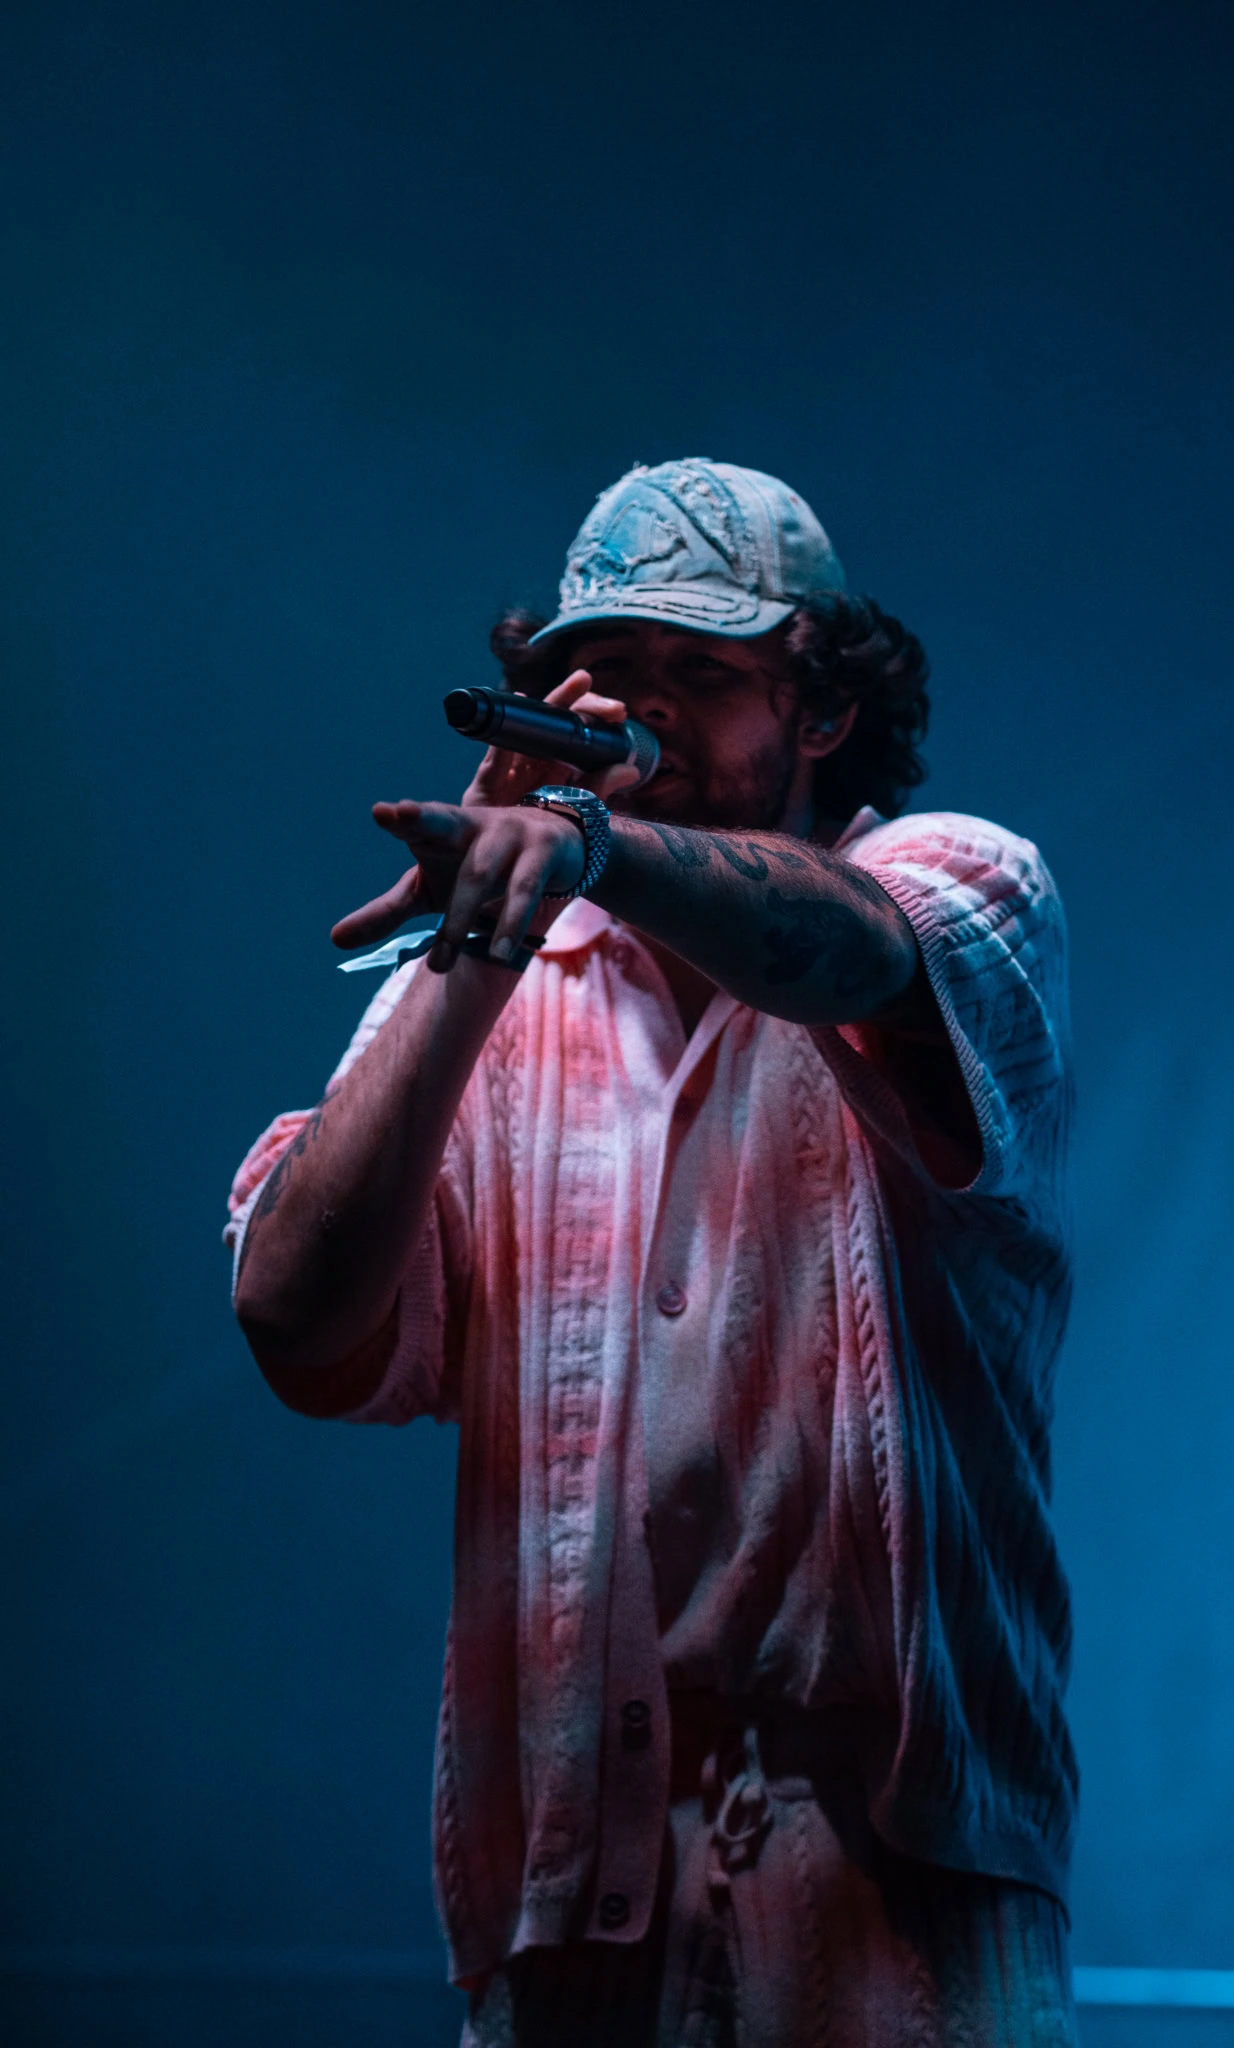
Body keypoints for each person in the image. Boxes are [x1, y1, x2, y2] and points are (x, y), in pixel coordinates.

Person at [227, 459, 1079, 2047]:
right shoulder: (507, 973)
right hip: (569, 1898)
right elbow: (294, 1318)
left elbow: (850, 952)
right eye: (608, 672)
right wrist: (480, 937)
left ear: (823, 708)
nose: (644, 710)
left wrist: (592, 854)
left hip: (898, 1886)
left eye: (703, 669)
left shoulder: (964, 881)